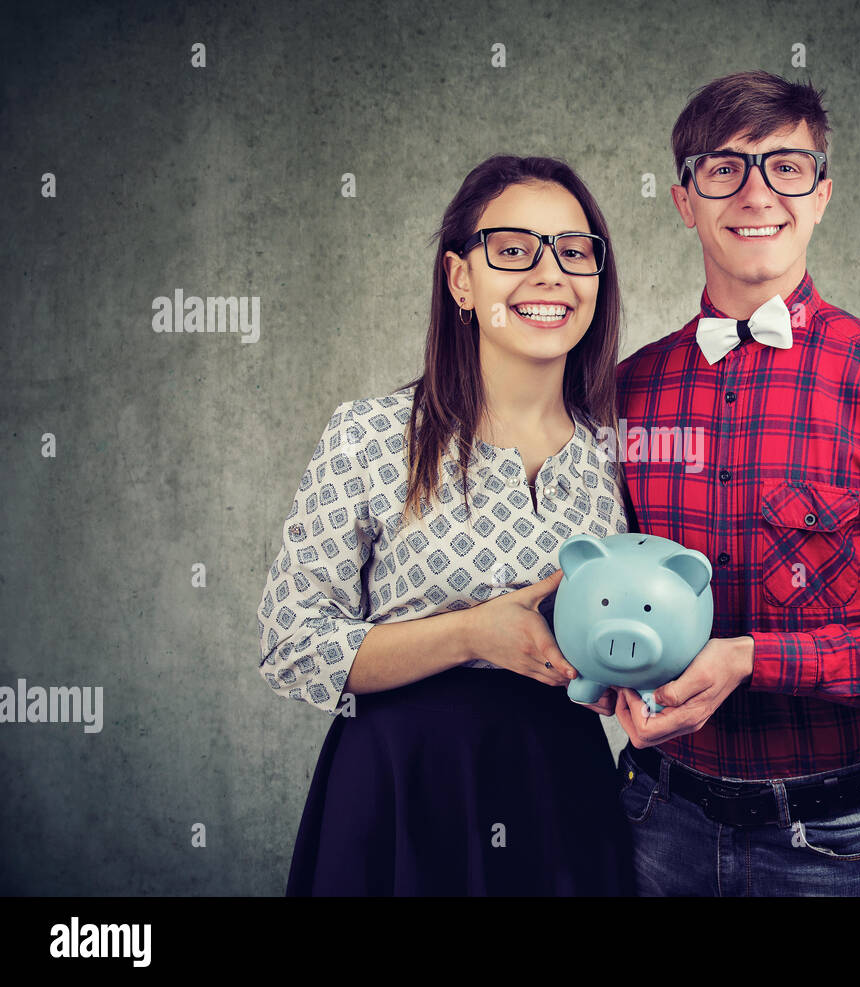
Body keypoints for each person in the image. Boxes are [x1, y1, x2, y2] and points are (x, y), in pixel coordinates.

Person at [604, 71, 860, 896]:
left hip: (826, 847)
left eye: (786, 166)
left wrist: (756, 659)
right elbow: (595, 591)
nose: (756, 191)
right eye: (723, 168)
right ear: (685, 200)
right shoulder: (624, 391)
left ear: (821, 193)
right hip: (653, 823)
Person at [255, 155, 637, 896]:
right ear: (461, 279)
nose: (550, 273)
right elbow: (288, 641)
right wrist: (470, 633)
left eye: (574, 249)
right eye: (514, 250)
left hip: (562, 795)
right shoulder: (371, 436)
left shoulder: (617, 451)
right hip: (401, 793)